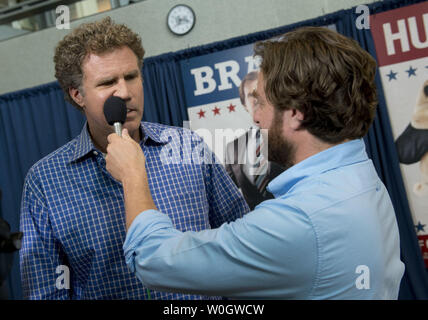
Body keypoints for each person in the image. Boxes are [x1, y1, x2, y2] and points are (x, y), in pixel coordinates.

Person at [105, 26, 405, 299]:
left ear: (297, 112)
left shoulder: (299, 222)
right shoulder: (360, 172)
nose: (255, 116)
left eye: (260, 101)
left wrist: (133, 175)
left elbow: (152, 259)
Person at [19, 17, 249, 300]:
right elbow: (46, 289)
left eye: (131, 76)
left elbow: (240, 239)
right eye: (107, 83)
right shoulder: (45, 180)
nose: (125, 93)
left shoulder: (187, 146)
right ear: (78, 94)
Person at [225, 71, 284, 210]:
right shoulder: (233, 148)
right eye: (252, 95)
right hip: (255, 227)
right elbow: (225, 192)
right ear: (244, 104)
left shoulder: (291, 134)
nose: (257, 98)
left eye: (261, 92)